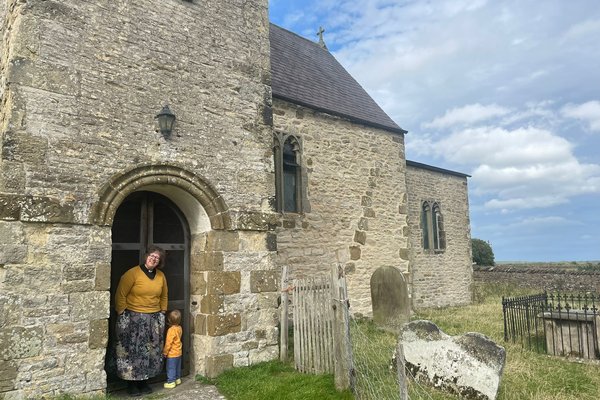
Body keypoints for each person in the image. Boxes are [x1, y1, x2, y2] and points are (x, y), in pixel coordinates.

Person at [115, 246, 168, 397]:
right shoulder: (132, 273)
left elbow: (164, 295)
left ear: (160, 261)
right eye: (152, 256)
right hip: (133, 317)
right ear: (146, 257)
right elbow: (121, 294)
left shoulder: (161, 276)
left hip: (153, 318)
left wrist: (162, 311)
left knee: (150, 352)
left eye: (157, 258)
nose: (153, 259)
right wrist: (122, 312)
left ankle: (144, 383)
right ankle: (131, 385)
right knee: (133, 351)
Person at [162, 309, 183, 389]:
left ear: (169, 320)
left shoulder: (171, 330)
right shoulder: (179, 328)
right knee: (177, 367)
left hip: (172, 353)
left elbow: (168, 343)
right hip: (179, 352)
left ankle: (171, 381)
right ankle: (177, 379)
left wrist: (165, 352)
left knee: (171, 368)